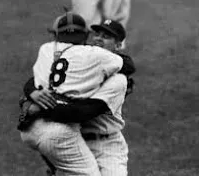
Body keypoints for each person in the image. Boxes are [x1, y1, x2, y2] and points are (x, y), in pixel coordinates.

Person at [18, 12, 135, 176]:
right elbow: (40, 79)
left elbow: (83, 112)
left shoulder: (119, 79)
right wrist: (33, 91)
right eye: (97, 34)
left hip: (106, 144)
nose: (99, 39)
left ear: (118, 45)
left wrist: (38, 109)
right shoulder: (80, 57)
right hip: (75, 137)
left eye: (107, 36)